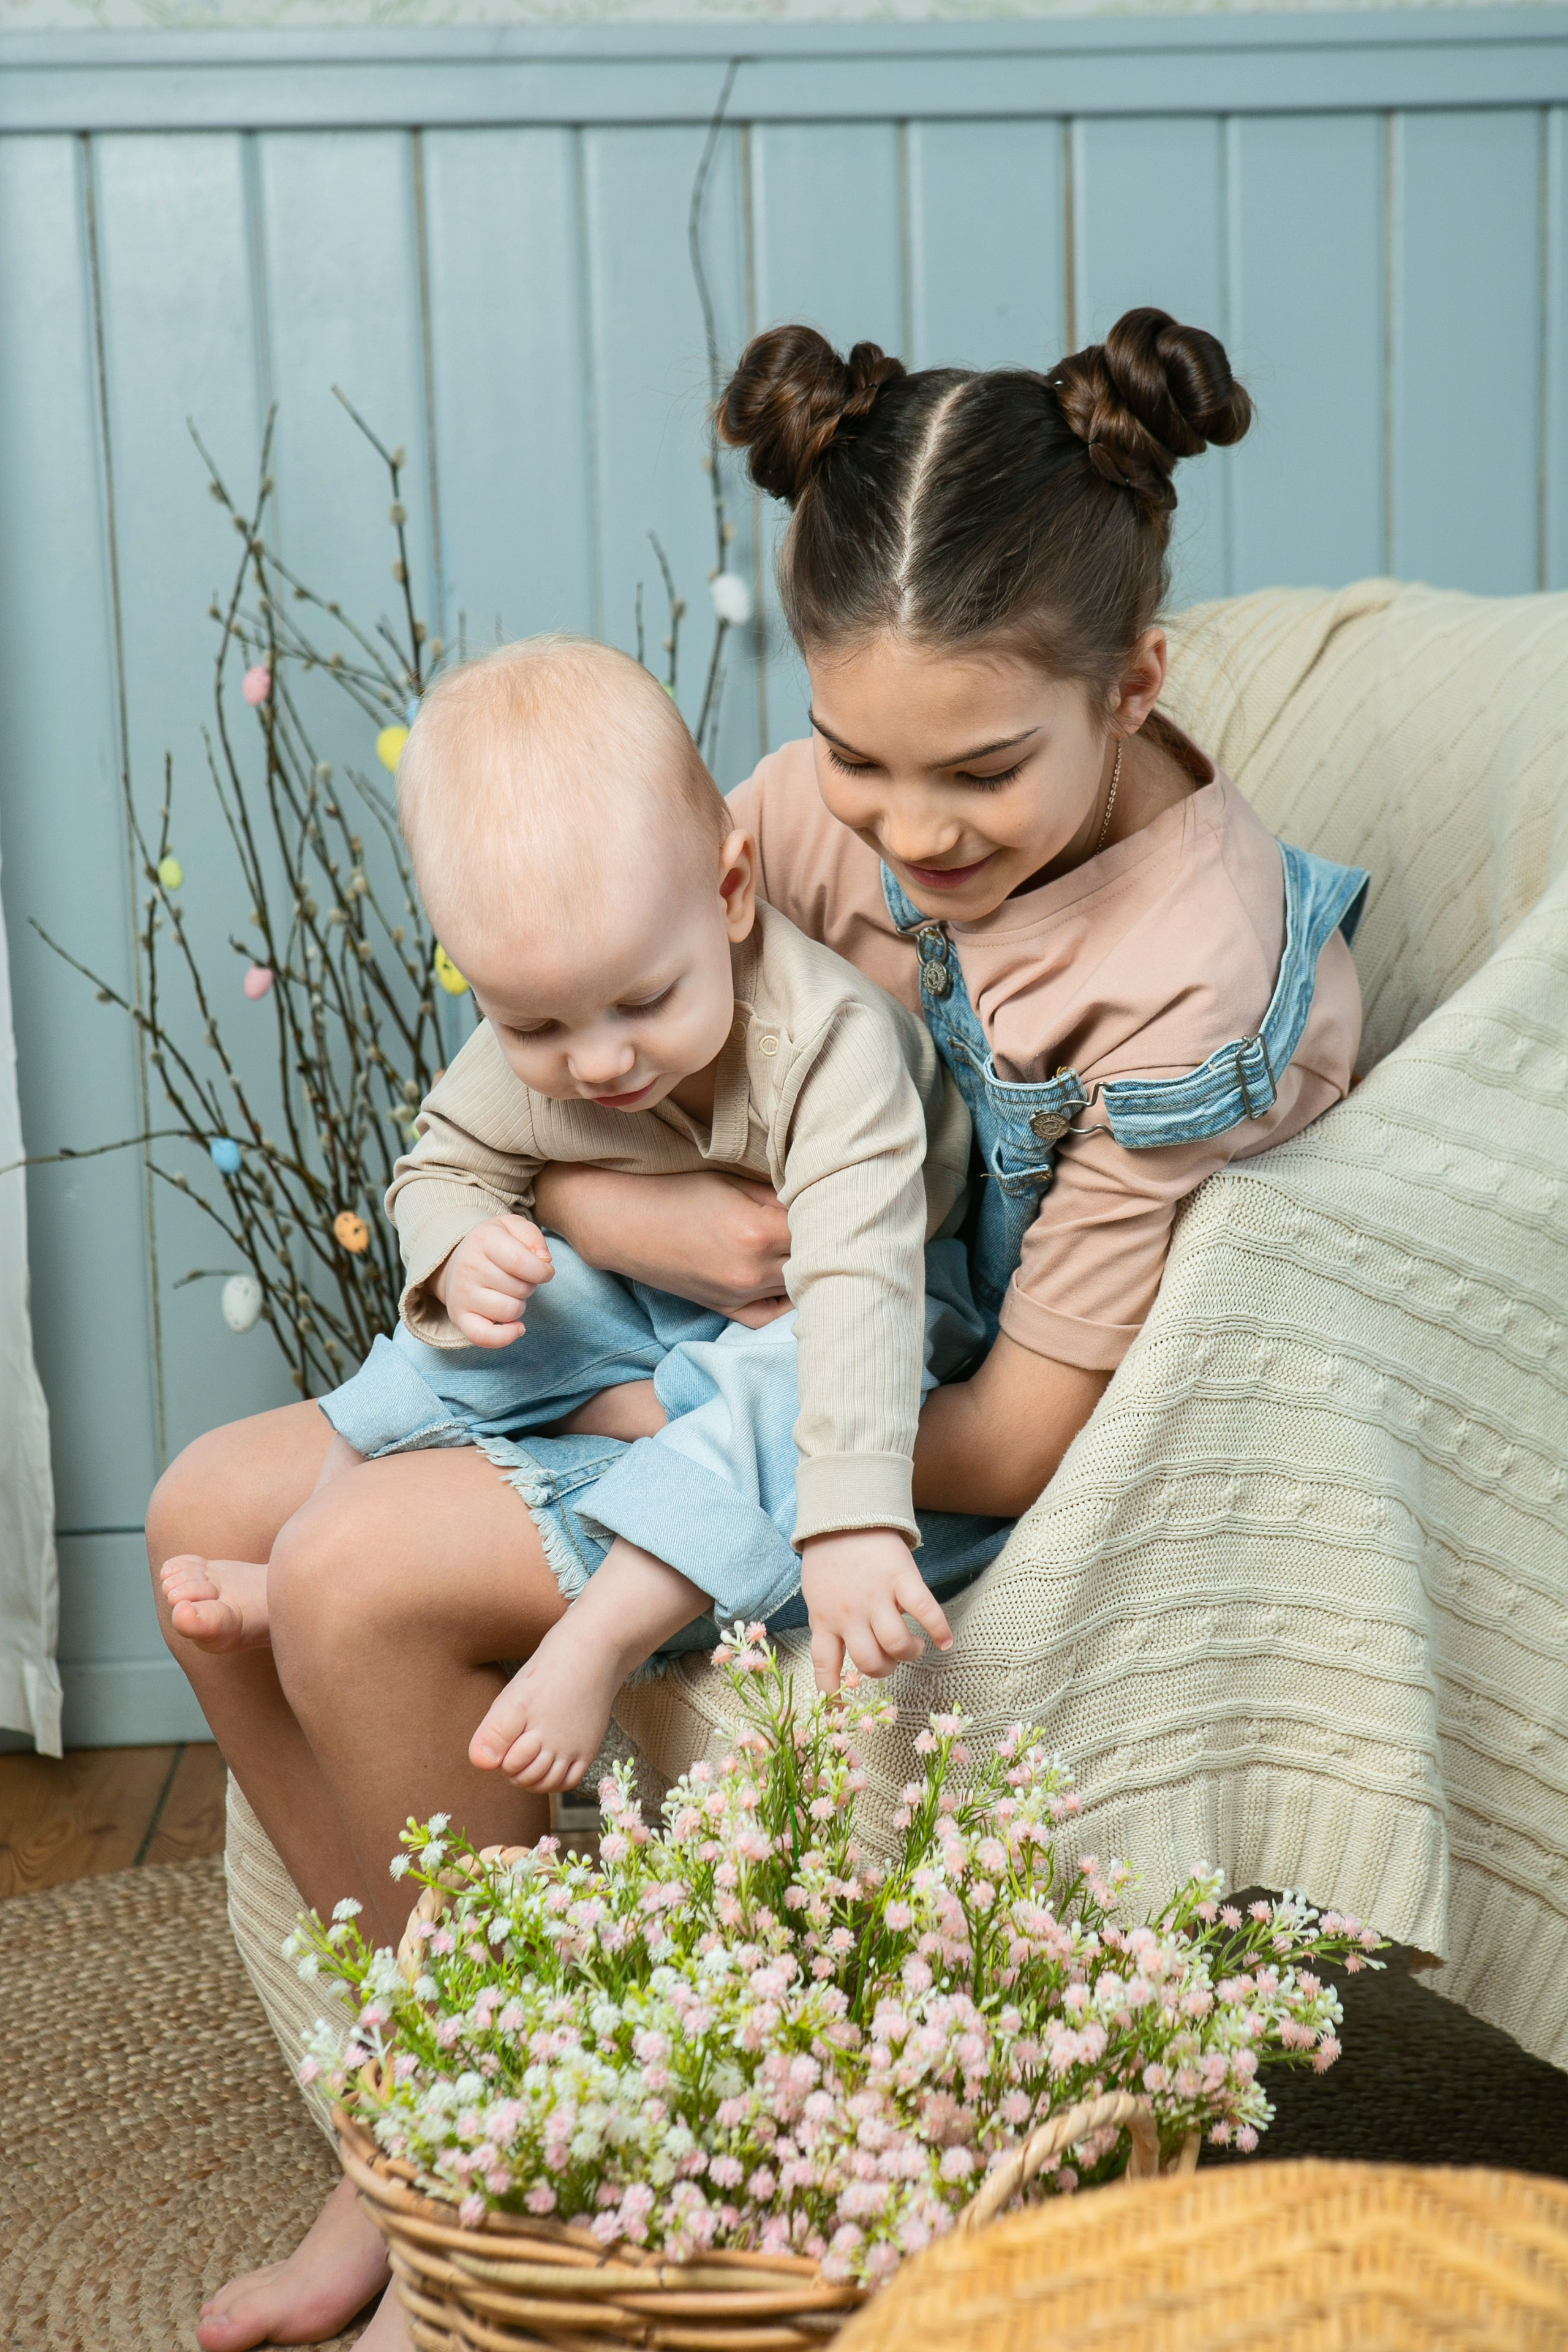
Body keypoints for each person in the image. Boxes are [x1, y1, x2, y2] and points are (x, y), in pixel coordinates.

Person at [157, 306, 1365, 2351]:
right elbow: (574, 1060)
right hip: (687, 1338)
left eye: (979, 772)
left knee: (349, 1575)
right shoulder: (809, 805)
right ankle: (414, 2116)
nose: (900, 834)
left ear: (1136, 681)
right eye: (856, 761)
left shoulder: (1191, 982)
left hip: (890, 1442)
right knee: (211, 1507)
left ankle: (454, 2181)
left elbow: (995, 1445)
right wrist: (631, 1228)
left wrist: (658, 1363)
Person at [160, 635, 989, 1792]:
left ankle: (599, 1635)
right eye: (536, 1027)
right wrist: (458, 1252)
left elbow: (862, 1291)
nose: (598, 1062)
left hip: (868, 1302)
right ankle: (322, 1518)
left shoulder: (826, 1048)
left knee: (779, 1390)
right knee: (521, 1301)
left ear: (732, 889)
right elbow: (440, 1162)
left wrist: (854, 1521)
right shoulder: (545, 1029)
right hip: (658, 1299)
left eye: (645, 1001)